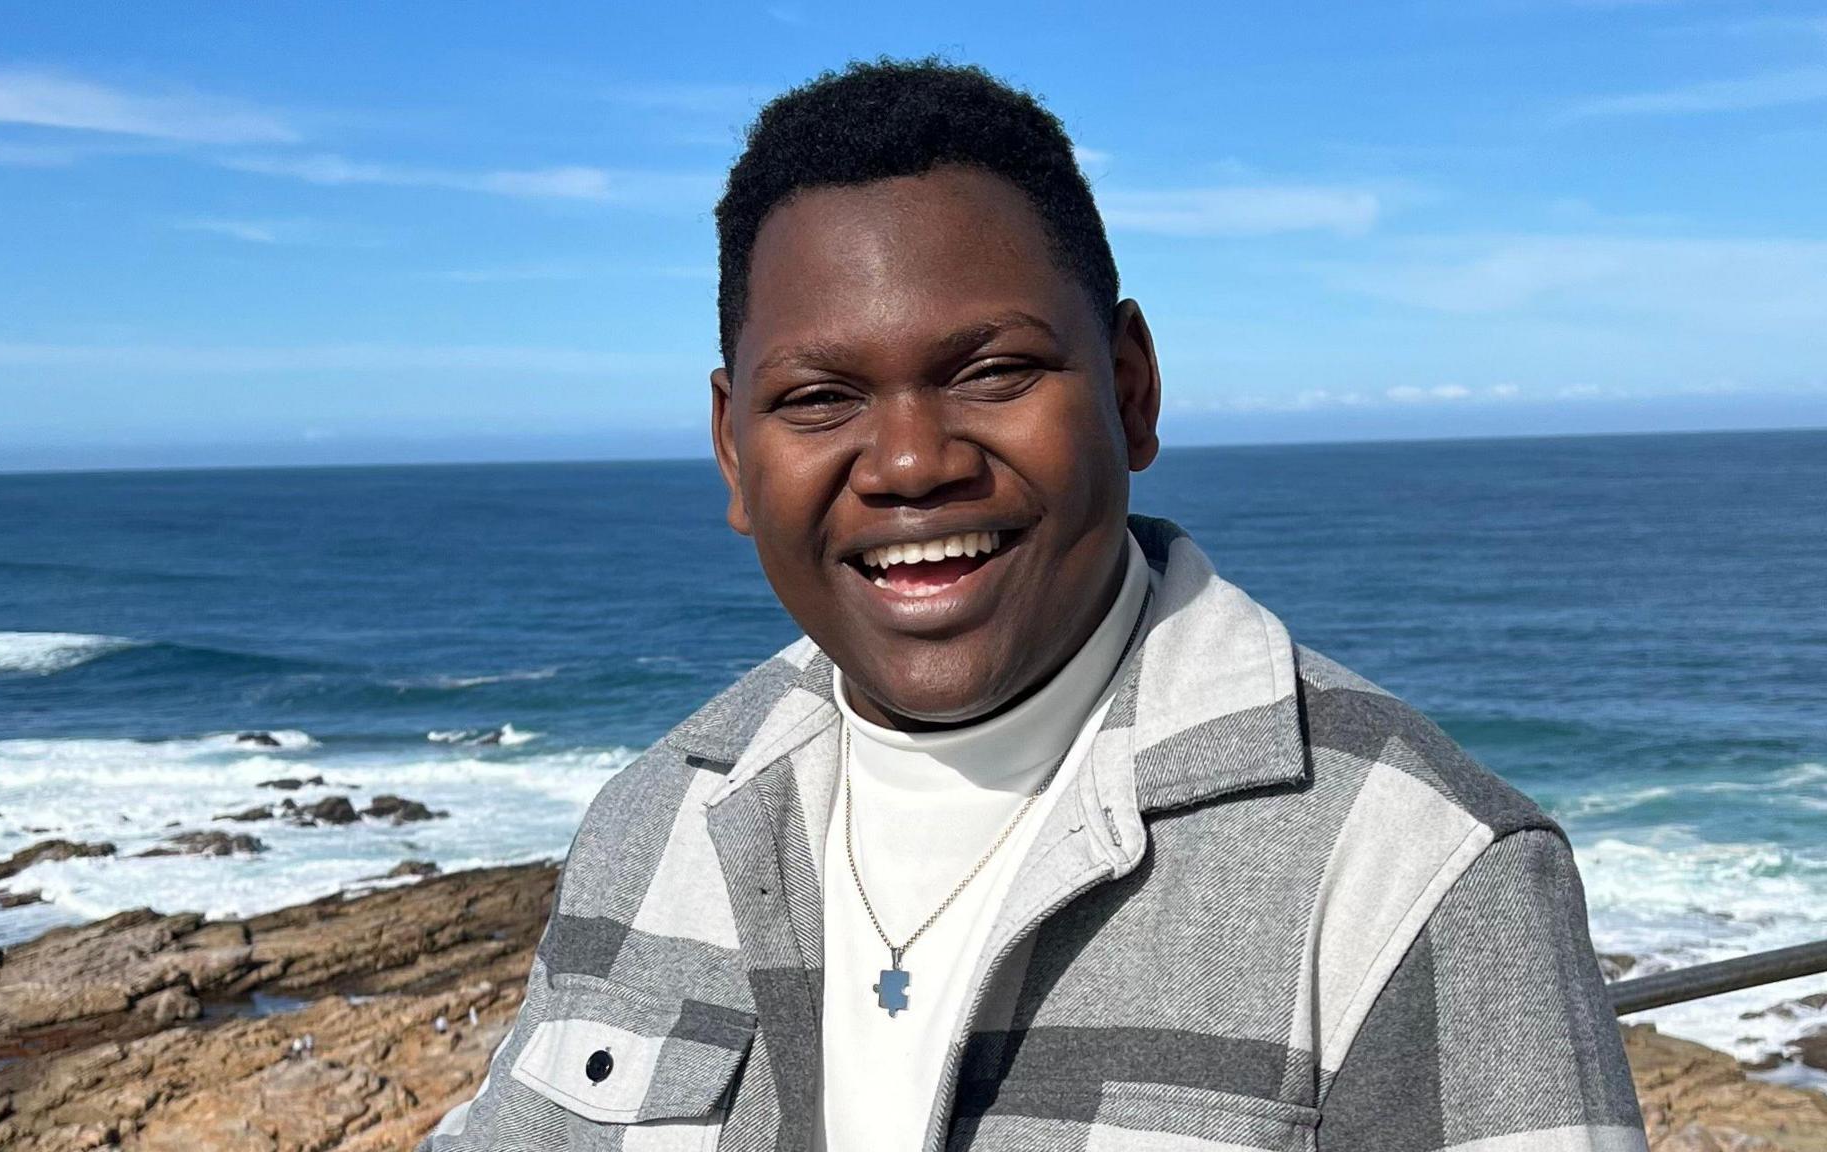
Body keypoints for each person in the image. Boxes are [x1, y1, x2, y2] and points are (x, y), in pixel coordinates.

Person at [419, 58, 1644, 1152]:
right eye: (816, 400)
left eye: (992, 371)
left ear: (1131, 390)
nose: (909, 461)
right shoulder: (659, 820)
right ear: (733, 455)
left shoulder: (1411, 871)